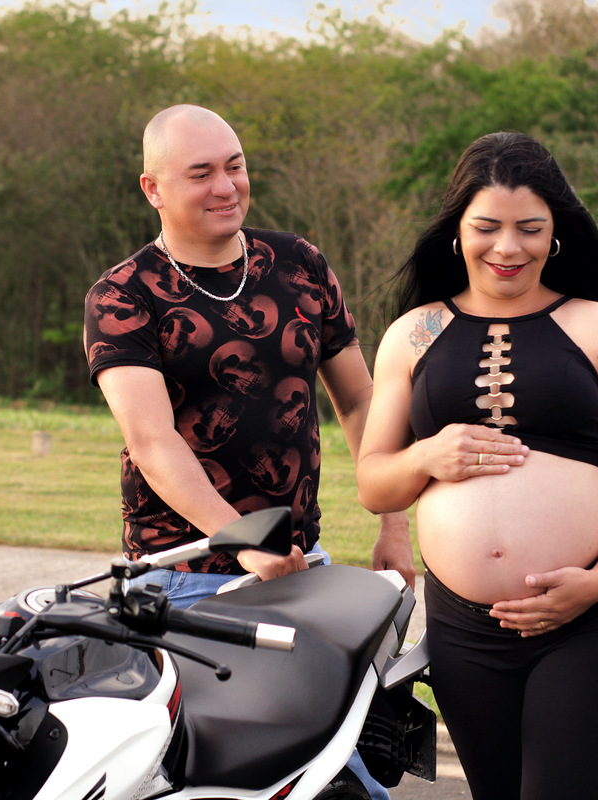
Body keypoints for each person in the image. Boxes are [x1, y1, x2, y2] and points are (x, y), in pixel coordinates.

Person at [84, 103, 411, 800]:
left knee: (327, 776)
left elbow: (360, 402)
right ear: (153, 189)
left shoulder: (299, 263)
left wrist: (394, 526)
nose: (226, 185)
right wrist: (240, 542)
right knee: (220, 783)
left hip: (301, 569)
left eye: (235, 166)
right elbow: (152, 440)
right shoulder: (124, 294)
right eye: (200, 173)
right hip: (181, 583)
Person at [356, 132, 598, 800]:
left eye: (530, 229)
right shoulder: (413, 334)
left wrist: (597, 583)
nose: (508, 248)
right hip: (463, 632)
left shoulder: (597, 326)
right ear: (457, 232)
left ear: (556, 232)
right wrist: (425, 454)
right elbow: (373, 483)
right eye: (487, 228)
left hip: (586, 624)